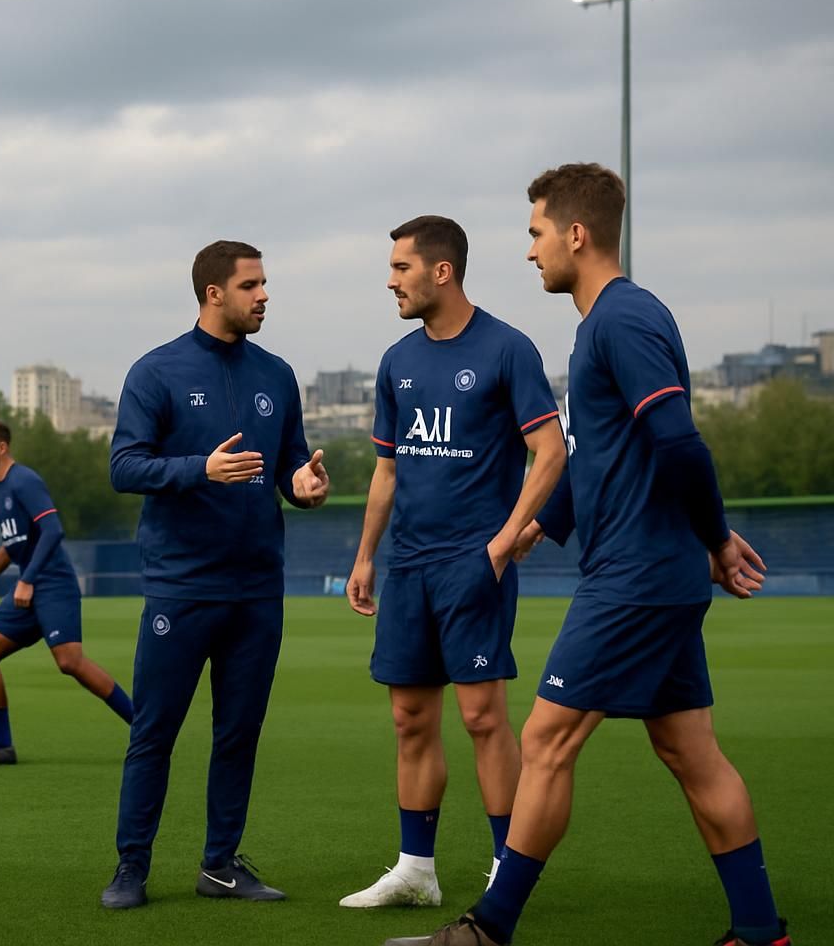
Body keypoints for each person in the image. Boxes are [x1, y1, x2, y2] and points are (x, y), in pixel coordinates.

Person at [386, 163, 788, 946]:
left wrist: (712, 539)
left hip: (635, 577)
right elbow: (605, 453)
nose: (530, 251)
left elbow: (678, 443)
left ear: (576, 233)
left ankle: (487, 929)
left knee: (543, 739)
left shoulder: (620, 320)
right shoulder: (604, 323)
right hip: (651, 570)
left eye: (536, 233)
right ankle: (759, 930)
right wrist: (539, 529)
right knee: (689, 749)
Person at [341, 216, 565, 909]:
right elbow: (387, 470)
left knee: (482, 719)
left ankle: (507, 868)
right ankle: (416, 869)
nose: (390, 280)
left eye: (401, 268)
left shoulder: (507, 349)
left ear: (443, 271)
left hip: (474, 565)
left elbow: (551, 451)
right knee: (410, 717)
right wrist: (365, 556)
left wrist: (503, 543)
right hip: (405, 566)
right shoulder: (396, 361)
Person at [100, 239, 329, 909]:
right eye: (252, 285)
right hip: (182, 585)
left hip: (258, 588)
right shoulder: (156, 372)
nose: (264, 296)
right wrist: (198, 467)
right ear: (213, 294)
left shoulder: (277, 374)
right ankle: (131, 869)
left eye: (265, 284)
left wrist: (303, 483)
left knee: (239, 733)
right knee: (155, 732)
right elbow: (124, 467)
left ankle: (221, 865)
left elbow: (288, 463)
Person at [0, 420, 133, 765]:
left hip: (53, 585)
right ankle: (2, 746)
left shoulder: (24, 480)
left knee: (70, 662)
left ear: (1, 448)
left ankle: (144, 729)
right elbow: (12, 546)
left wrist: (28, 579)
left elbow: (53, 530)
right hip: (30, 588)